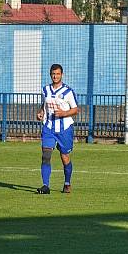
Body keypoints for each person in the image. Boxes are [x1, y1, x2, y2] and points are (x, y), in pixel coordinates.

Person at [35, 64, 79, 194]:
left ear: (62, 75)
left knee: (65, 157)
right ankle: (45, 186)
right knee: (46, 156)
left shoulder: (68, 92)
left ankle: (67, 182)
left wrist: (64, 113)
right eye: (53, 74)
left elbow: (76, 109)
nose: (55, 76)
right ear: (50, 74)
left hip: (65, 129)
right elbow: (44, 105)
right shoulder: (45, 90)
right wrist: (40, 112)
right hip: (48, 128)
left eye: (58, 74)